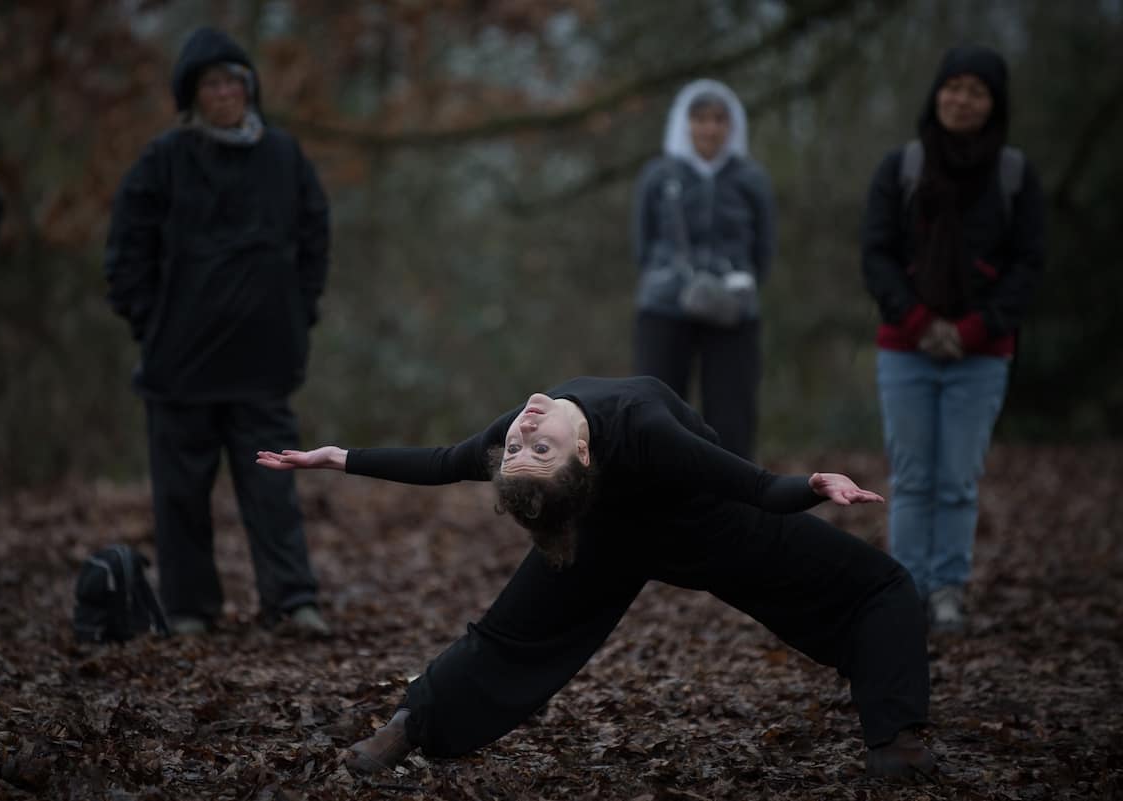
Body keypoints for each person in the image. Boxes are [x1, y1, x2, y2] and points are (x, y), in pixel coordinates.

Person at [257, 375, 937, 779]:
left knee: (868, 586)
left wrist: (815, 485)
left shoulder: (593, 432)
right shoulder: (604, 435)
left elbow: (756, 487)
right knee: (507, 636)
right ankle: (409, 724)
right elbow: (756, 485)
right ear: (577, 454)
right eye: (527, 447)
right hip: (626, 533)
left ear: (582, 451)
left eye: (525, 447)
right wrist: (337, 457)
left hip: (702, 525)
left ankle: (894, 739)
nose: (521, 434)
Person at [105, 27, 332, 637]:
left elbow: (315, 238)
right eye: (213, 83)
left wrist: (296, 313)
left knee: (273, 492)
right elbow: (125, 252)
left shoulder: (284, 157)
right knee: (180, 499)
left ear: (250, 89)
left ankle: (293, 603)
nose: (227, 92)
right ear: (192, 94)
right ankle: (188, 611)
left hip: (263, 365)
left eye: (236, 80)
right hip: (180, 369)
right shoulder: (163, 162)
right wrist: (152, 325)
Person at [861, 45, 1044, 634]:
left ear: (994, 104)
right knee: (911, 476)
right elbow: (876, 254)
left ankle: (948, 590)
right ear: (936, 92)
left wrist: (972, 329)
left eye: (976, 91)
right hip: (905, 348)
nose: (961, 100)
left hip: (982, 354)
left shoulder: (1014, 176)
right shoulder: (901, 169)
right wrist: (918, 322)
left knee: (958, 479)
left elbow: (1027, 265)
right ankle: (906, 589)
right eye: (953, 87)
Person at [631, 79, 776, 462]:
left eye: (718, 119)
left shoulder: (752, 180)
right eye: (700, 118)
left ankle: (731, 507)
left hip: (733, 310)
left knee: (732, 415)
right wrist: (671, 282)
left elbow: (764, 250)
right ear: (684, 122)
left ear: (732, 125)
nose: (709, 128)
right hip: (664, 307)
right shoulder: (658, 177)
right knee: (655, 410)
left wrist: (733, 286)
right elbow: (643, 244)